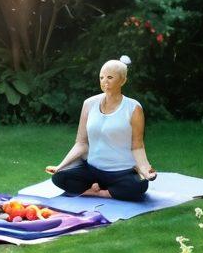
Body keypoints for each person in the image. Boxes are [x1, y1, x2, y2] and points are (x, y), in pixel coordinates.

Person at [46, 56, 156, 201]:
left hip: (121, 173)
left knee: (140, 185)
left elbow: (137, 146)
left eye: (110, 77)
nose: (105, 81)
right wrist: (60, 166)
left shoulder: (133, 108)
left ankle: (98, 193)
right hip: (93, 170)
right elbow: (81, 143)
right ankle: (107, 191)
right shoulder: (89, 104)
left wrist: (147, 170)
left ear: (122, 80)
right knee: (59, 178)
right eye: (102, 77)